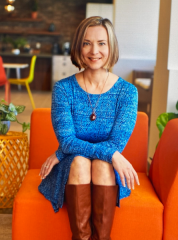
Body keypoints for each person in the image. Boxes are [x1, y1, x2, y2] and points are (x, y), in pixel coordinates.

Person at [38, 16, 140, 240]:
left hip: (107, 171)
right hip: (73, 168)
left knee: (103, 166)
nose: (94, 51)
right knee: (80, 161)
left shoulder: (127, 92)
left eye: (101, 43)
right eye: (86, 43)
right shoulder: (63, 89)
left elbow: (116, 143)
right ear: (78, 47)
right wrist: (113, 155)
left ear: (111, 46)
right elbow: (67, 142)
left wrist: (110, 154)